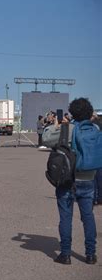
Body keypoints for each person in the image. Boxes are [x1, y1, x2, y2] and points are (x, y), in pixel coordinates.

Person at [47, 98, 97, 265]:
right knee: (88, 217)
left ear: (72, 113)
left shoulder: (68, 129)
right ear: (90, 113)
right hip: (89, 179)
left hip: (69, 180)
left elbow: (46, 138)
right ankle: (90, 254)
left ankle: (66, 254)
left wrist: (56, 124)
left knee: (66, 217)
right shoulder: (96, 129)